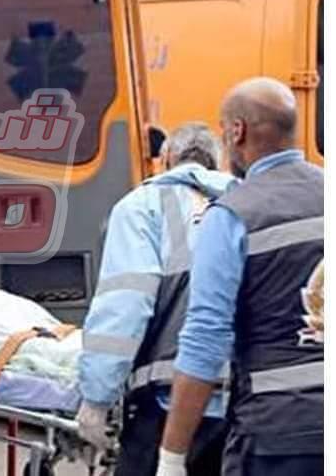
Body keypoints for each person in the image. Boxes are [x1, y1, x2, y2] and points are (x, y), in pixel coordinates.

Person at [158, 77, 324, 476]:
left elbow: (205, 338)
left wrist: (172, 458)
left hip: (277, 435)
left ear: (238, 131)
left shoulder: (233, 215)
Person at [76, 123, 235, 474]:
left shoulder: (142, 207)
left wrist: (97, 398)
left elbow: (125, 306)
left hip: (167, 404)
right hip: (241, 409)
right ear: (218, 161)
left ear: (166, 159)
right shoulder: (246, 204)